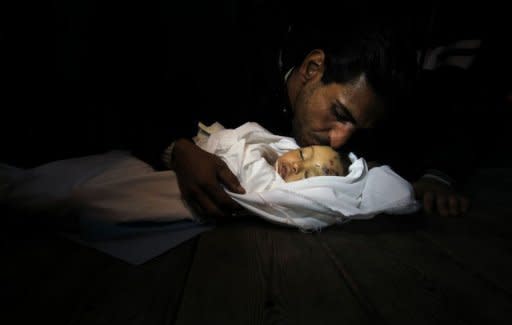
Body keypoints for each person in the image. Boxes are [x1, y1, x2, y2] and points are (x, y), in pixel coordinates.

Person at [129, 10, 470, 220]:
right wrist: (178, 149)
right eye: (339, 113)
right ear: (312, 68)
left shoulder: (366, 130)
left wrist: (435, 176)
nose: (339, 139)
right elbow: (136, 102)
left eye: (358, 128)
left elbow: (436, 130)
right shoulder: (229, 65)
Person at [0, 121, 418, 232]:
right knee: (85, 176)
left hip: (186, 184)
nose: (299, 163)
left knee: (87, 196)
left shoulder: (278, 188)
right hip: (184, 157)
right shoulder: (270, 145)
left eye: (312, 173)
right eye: (305, 153)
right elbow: (242, 140)